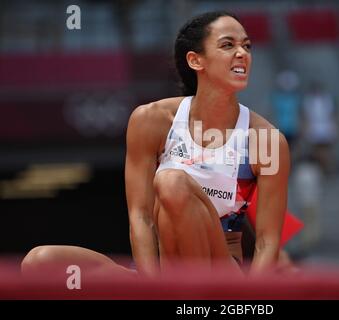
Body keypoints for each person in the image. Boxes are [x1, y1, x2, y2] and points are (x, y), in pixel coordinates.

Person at [21, 11, 290, 278]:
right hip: (160, 270)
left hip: (221, 271)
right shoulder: (151, 120)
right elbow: (140, 216)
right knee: (40, 261)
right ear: (196, 60)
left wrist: (248, 300)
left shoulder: (266, 140)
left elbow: (267, 241)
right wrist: (151, 287)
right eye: (228, 45)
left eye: (247, 46)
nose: (242, 53)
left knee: (171, 182)